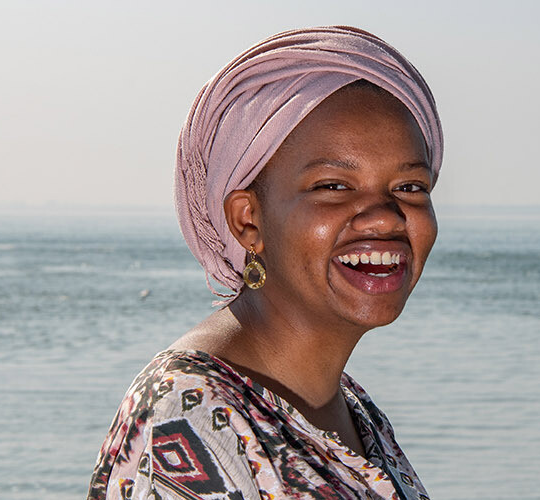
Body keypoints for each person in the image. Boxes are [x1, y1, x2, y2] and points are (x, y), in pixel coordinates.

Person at [89, 26, 443, 500]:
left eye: (410, 187)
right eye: (333, 186)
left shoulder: (349, 408)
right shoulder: (189, 418)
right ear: (247, 220)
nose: (384, 216)